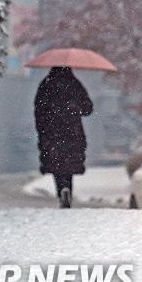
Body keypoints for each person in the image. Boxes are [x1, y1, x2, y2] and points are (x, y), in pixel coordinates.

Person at [33, 66, 94, 208]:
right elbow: (88, 109)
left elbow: (39, 110)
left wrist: (42, 129)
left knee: (56, 163)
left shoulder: (46, 84)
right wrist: (73, 108)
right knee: (69, 163)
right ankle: (68, 191)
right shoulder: (75, 84)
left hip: (52, 132)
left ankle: (61, 191)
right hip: (72, 132)